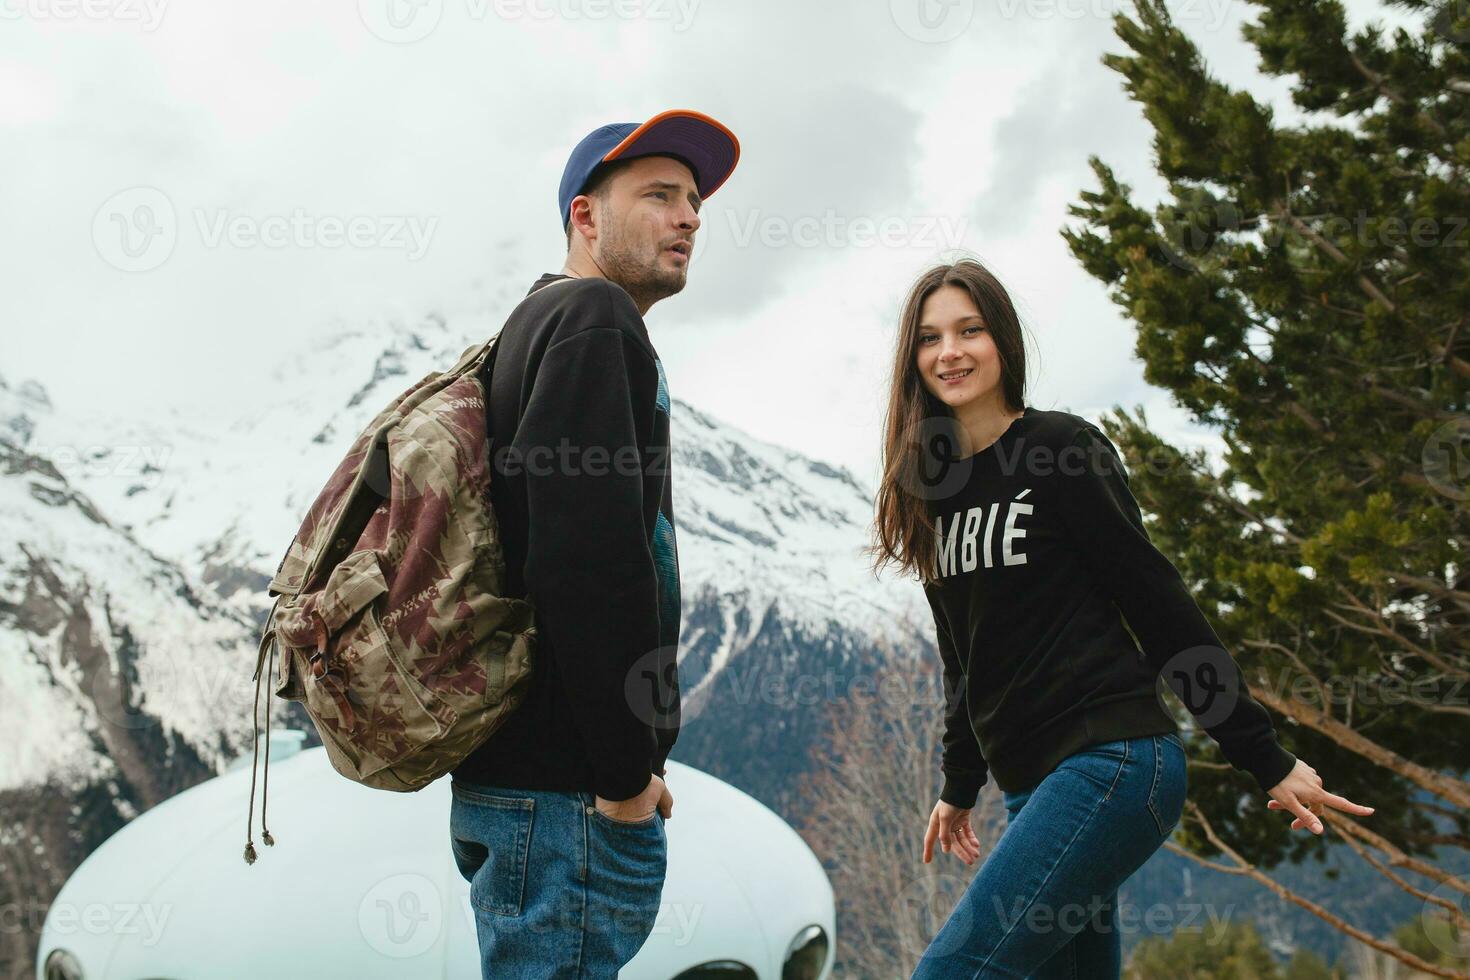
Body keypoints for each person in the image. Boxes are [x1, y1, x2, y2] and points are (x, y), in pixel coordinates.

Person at [868, 259, 1375, 979]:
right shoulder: (931, 487)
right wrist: (958, 783)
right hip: (1030, 786)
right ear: (912, 360)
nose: (949, 351)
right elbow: (964, 653)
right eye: (930, 338)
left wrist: (1262, 755)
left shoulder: (1059, 450)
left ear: (1002, 341)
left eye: (968, 330)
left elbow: (1158, 605)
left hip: (1114, 761)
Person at [447, 109, 739, 979]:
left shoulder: (530, 324)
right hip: (564, 790)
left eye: (693, 200)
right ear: (585, 215)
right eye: (659, 195)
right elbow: (589, 561)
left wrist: (629, 762)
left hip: (520, 781)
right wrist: (620, 773)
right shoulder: (593, 316)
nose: (689, 216)